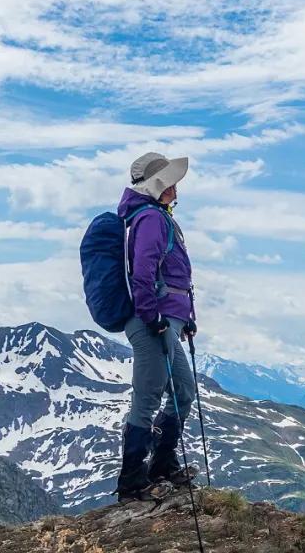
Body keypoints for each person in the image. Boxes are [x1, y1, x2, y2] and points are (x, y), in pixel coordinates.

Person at [114, 152, 199, 502]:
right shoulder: (151, 219)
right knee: (148, 398)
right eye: (171, 181)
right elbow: (144, 270)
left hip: (166, 320)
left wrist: (186, 317)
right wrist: (153, 317)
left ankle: (162, 464)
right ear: (159, 185)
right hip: (153, 323)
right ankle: (132, 483)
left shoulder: (156, 217)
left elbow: (171, 275)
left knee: (183, 391)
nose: (177, 186)